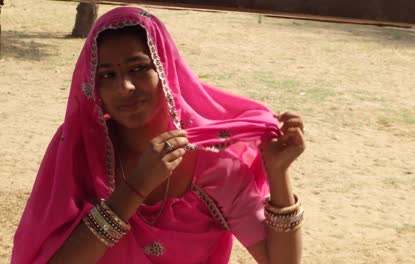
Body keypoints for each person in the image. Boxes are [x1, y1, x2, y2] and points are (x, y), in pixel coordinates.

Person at [12, 6, 305, 264]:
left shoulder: (212, 165)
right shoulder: (79, 149)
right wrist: (135, 188)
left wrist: (278, 175)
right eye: (106, 75)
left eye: (139, 68)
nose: (123, 87)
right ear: (93, 85)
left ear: (166, 70)